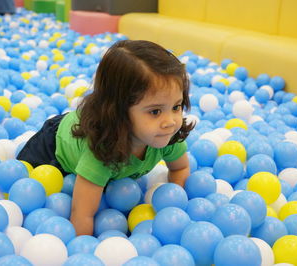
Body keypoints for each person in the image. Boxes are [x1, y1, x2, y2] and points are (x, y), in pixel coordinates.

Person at [17, 40, 195, 236]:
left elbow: (181, 167)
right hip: (54, 146)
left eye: (176, 107)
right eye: (155, 111)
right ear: (119, 112)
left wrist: (172, 205)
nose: (170, 121)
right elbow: (82, 214)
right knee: (23, 183)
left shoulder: (166, 135)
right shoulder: (102, 151)